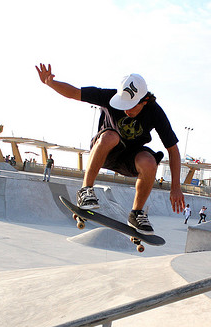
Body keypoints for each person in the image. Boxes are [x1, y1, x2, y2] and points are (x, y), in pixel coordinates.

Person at [36, 63, 184, 235]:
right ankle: (85, 190)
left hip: (129, 159)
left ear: (144, 101)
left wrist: (175, 187)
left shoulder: (155, 112)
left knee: (150, 162)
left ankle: (136, 214)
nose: (126, 110)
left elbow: (173, 150)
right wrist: (51, 83)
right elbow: (75, 93)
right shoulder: (108, 97)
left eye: (131, 106)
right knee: (111, 136)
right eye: (124, 105)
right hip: (105, 151)